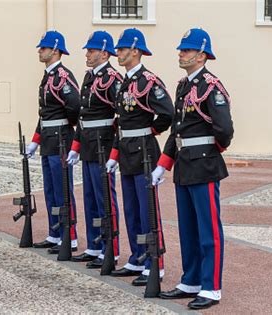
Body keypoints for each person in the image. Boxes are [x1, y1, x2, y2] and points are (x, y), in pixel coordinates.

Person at [153, 28, 234, 310]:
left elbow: (225, 129)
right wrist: (164, 164)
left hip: (204, 164)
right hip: (185, 164)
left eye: (186, 50)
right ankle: (191, 280)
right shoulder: (183, 86)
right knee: (188, 228)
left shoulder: (212, 86)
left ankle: (211, 287)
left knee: (208, 229)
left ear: (202, 55)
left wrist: (211, 152)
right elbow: (177, 129)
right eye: (181, 49)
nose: (181, 53)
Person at [106, 28, 174, 286]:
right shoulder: (125, 82)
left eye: (122, 49)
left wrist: (150, 132)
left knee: (148, 210)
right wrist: (114, 155)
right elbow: (121, 122)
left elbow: (167, 113)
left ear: (135, 51)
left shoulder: (149, 81)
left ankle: (154, 261)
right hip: (127, 151)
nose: (118, 53)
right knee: (132, 208)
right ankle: (137, 256)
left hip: (144, 150)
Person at [67, 31, 122, 268]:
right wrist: (75, 146)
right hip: (89, 144)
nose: (87, 54)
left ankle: (110, 248)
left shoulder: (113, 79)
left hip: (103, 144)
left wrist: (115, 151)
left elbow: (122, 116)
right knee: (90, 197)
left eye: (91, 50)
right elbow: (83, 116)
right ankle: (94, 244)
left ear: (103, 52)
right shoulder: (89, 77)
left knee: (104, 198)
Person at [26, 30, 80, 254]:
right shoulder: (48, 76)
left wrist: (69, 134)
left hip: (60, 138)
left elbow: (75, 107)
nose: (40, 51)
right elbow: (45, 114)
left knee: (62, 189)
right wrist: (35, 142)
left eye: (44, 47)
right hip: (49, 139)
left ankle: (70, 235)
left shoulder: (63, 77)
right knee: (50, 189)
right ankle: (55, 231)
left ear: (55, 50)